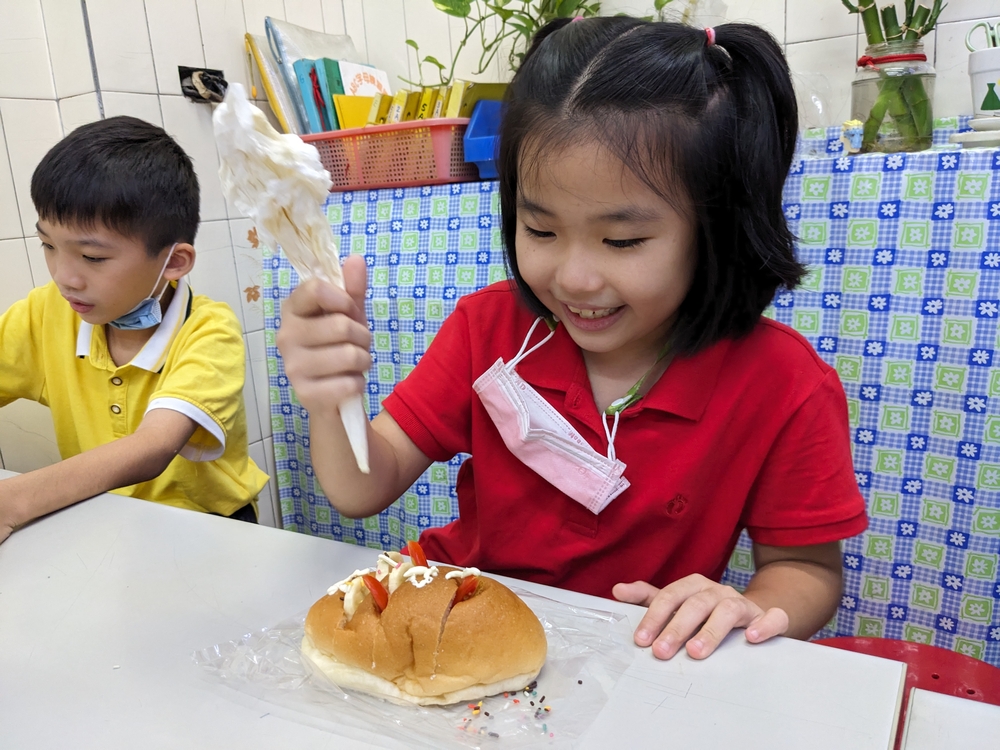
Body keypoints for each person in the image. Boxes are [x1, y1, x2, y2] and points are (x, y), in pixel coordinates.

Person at [276, 18, 867, 660]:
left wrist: (747, 606)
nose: (576, 279)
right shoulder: (490, 328)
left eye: (622, 241)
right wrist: (332, 397)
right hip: (458, 629)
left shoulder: (783, 384)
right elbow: (360, 489)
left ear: (718, 227)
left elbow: (808, 571)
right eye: (540, 230)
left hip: (634, 661)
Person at [0, 116, 269, 544]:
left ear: (174, 262)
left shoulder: (209, 330)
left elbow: (152, 448)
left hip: (211, 532)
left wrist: (12, 501)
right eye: (48, 246)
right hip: (108, 522)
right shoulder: (45, 312)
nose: (64, 277)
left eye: (91, 257)